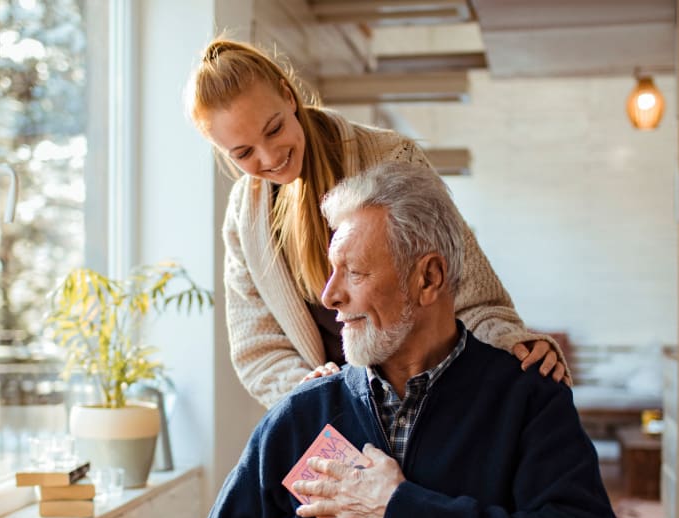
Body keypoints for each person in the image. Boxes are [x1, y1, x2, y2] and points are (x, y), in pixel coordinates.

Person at [125, 163, 617, 518]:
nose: (329, 295)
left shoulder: (527, 400)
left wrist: (398, 511)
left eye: (354, 272)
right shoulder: (304, 411)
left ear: (428, 278)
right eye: (331, 270)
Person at [186, 37, 571, 408]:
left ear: (289, 96)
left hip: (430, 396)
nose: (270, 156)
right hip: (333, 415)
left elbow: (464, 283)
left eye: (274, 129)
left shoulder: (391, 156)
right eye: (243, 153)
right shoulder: (244, 217)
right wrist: (307, 393)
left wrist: (512, 341)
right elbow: (258, 348)